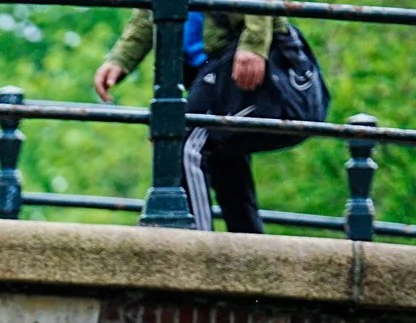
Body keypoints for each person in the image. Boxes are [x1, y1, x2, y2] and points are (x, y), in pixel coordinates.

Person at [95, 4, 319, 236]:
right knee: (219, 149)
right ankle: (249, 250)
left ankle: (197, 246)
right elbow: (151, 11)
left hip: (234, 52)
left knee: (184, 142)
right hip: (206, 64)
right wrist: (120, 60)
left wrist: (253, 43)